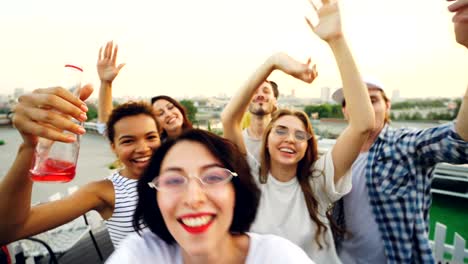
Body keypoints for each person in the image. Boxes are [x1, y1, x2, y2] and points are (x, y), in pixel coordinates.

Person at [221, 0, 375, 262]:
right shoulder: (251, 178)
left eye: (300, 134)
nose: (290, 139)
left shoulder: (319, 180)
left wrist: (337, 40)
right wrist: (274, 62)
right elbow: (229, 119)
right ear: (267, 139)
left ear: (308, 146)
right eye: (280, 131)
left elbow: (363, 125)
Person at [331, 1, 468, 262]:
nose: (365, 108)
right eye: (356, 101)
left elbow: (459, 143)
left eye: (372, 100)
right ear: (345, 111)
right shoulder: (336, 156)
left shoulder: (404, 145)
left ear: (387, 105)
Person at [106, 129, 315, 264]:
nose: (193, 198)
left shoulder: (278, 257)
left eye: (213, 177)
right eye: (173, 180)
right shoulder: (142, 253)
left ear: (237, 191)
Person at [0, 86, 161, 248]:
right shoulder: (106, 191)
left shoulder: (176, 172)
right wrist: (30, 146)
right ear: (113, 147)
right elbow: (8, 230)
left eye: (151, 137)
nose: (142, 148)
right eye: (128, 141)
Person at [97, 41, 192, 141]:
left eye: (171, 107)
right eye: (160, 113)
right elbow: (109, 128)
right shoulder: (156, 147)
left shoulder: (203, 140)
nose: (168, 114)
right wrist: (106, 83)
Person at [242, 80, 279, 160]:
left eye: (266, 92)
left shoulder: (283, 140)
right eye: (254, 92)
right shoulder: (237, 142)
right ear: (247, 101)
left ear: (275, 101)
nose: (260, 95)